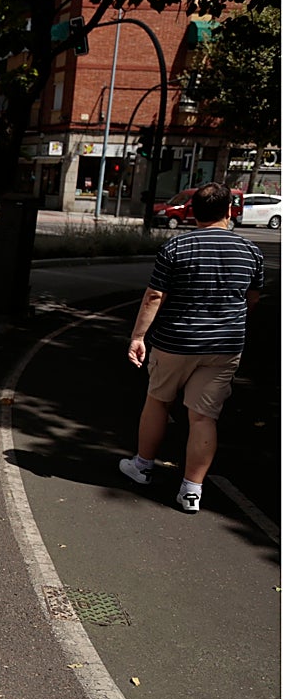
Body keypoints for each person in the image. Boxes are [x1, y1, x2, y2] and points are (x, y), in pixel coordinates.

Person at [119, 181, 264, 513]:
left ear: (193, 212)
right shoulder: (250, 251)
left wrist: (138, 337)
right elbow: (252, 299)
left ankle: (142, 467)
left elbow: (155, 296)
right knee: (203, 417)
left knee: (158, 401)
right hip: (224, 345)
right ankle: (191, 491)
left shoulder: (176, 247)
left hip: (176, 341)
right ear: (229, 211)